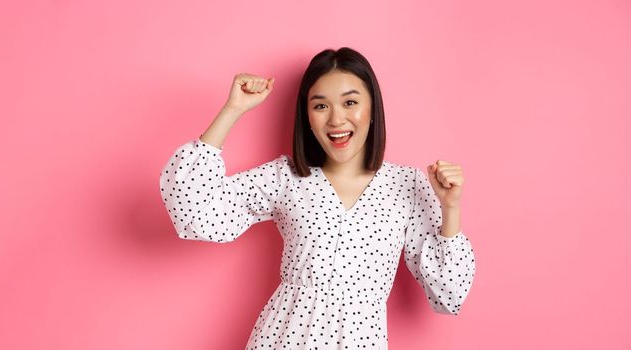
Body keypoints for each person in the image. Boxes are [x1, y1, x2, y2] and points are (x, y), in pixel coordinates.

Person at [159, 47, 476, 349]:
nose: (336, 119)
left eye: (350, 103)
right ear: (307, 117)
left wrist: (450, 207)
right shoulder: (287, 177)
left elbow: (449, 294)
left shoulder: (407, 184)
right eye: (321, 105)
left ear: (373, 109)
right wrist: (233, 109)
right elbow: (195, 211)